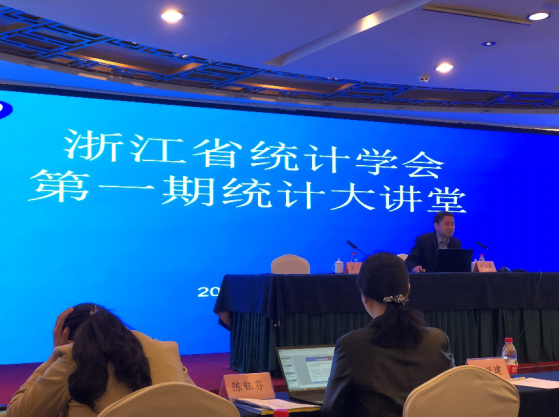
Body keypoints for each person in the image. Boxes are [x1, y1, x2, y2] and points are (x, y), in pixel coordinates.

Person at [322, 252, 454, 417]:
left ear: (364, 296)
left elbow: (331, 410)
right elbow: (452, 397)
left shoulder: (350, 346)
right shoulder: (438, 340)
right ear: (408, 290)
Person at [7, 303, 194, 417]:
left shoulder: (72, 358)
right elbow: (200, 402)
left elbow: (16, 414)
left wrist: (54, 356)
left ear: (69, 340)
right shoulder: (166, 350)